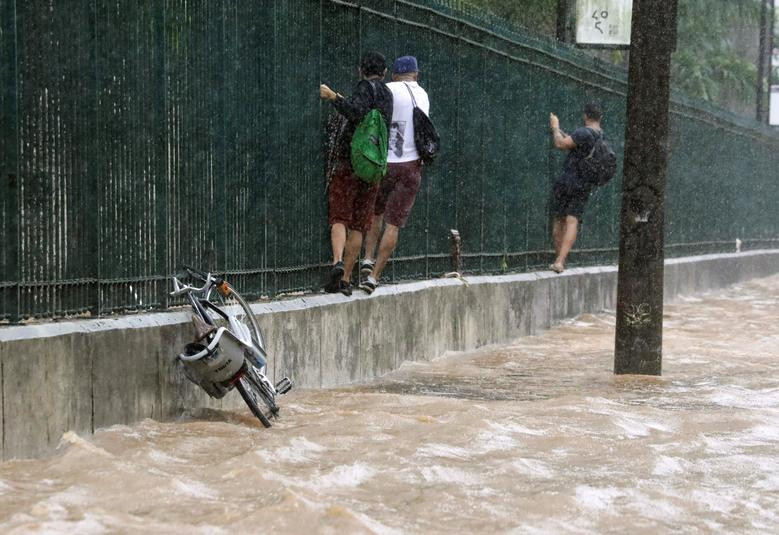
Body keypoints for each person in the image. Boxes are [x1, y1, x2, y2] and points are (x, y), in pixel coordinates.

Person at [319, 52, 393, 295]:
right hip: (372, 168)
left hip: (349, 163)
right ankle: (346, 279)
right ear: (384, 73)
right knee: (359, 225)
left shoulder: (364, 87)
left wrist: (334, 97)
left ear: (360, 70)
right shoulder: (388, 95)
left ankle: (337, 261)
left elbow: (355, 111)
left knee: (339, 217)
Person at [359, 56, 430, 294]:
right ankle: (374, 277)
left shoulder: (388, 89)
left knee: (375, 211)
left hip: (386, 163)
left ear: (394, 74)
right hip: (411, 166)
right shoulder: (423, 95)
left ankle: (367, 258)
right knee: (394, 224)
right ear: (416, 75)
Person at [548, 103, 603, 274]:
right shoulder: (600, 136)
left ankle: (559, 260)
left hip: (568, 180)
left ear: (585, 116)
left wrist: (555, 127)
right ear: (600, 117)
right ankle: (561, 261)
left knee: (559, 220)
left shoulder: (583, 132)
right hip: (585, 183)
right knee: (572, 221)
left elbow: (560, 144)